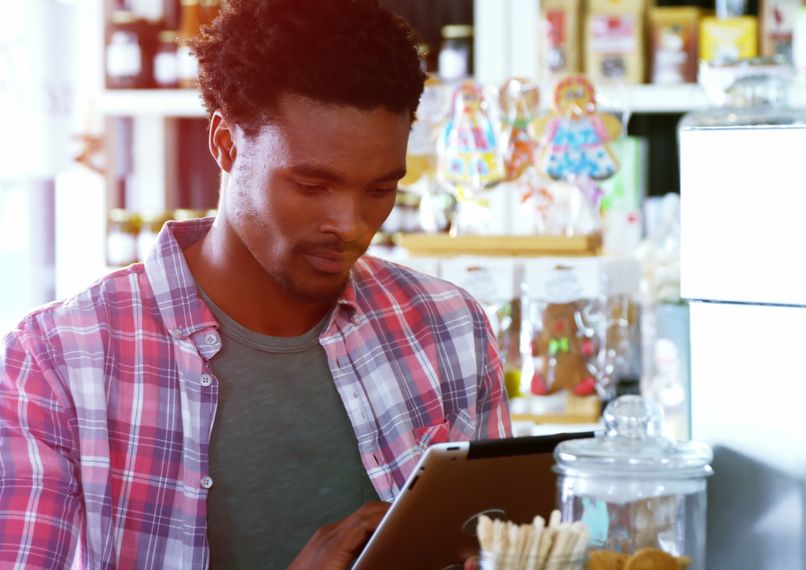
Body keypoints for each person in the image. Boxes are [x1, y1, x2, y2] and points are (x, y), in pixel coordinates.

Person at [0, 0, 510, 568]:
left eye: (380, 189)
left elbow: (502, 543)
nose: (352, 226)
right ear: (225, 143)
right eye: (313, 184)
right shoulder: (59, 359)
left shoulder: (448, 327)